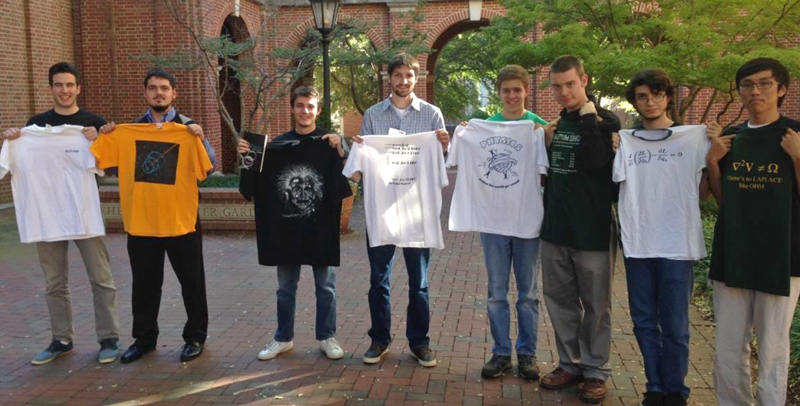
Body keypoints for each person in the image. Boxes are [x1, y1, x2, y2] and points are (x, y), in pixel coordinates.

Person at [0, 62, 121, 365]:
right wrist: (14, 138)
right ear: (51, 88)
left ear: (78, 88)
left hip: (84, 214)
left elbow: (113, 165)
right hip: (46, 215)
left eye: (69, 85)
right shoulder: (34, 127)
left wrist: (102, 139)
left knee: (101, 279)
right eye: (58, 85)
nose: (64, 90)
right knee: (54, 282)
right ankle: (61, 339)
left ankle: (109, 338)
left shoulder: (92, 123)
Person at [614, 69, 720, 406]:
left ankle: (676, 390)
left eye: (656, 94)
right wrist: (615, 143)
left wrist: (712, 145)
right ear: (635, 101)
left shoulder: (691, 138)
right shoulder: (625, 141)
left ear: (667, 97)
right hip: (639, 243)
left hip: (677, 243)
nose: (650, 101)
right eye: (643, 96)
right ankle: (654, 387)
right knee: (644, 322)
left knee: (675, 325)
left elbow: (704, 194)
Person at [99, 68, 216, 364]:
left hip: (181, 219)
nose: (159, 93)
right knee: (144, 284)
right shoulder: (130, 129)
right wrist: (106, 136)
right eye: (153, 88)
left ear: (174, 93)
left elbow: (209, 165)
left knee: (192, 281)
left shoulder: (188, 128)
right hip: (143, 220)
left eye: (164, 88)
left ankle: (195, 337)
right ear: (145, 93)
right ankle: (144, 339)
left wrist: (199, 139)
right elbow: (110, 165)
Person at [706, 57, 800, 406]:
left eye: (763, 83)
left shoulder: (795, 135)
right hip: (733, 253)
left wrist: (798, 159)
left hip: (782, 258)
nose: (755, 91)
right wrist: (712, 162)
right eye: (747, 85)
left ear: (781, 89)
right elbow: (722, 199)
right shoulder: (732, 137)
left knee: (773, 348)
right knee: (728, 348)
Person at [349, 53, 449, 367]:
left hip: (417, 210)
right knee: (379, 279)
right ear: (389, 78)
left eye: (409, 75)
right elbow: (358, 168)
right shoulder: (373, 115)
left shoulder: (432, 115)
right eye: (398, 75)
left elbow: (441, 163)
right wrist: (357, 150)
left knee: (419, 281)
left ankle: (419, 342)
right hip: (383, 212)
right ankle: (379, 340)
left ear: (415, 79)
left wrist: (443, 146)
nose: (403, 81)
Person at [236, 86, 348, 361]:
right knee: (285, 288)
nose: (305, 111)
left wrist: (342, 148)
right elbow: (248, 188)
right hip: (285, 232)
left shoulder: (328, 143)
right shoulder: (275, 147)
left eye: (310, 106)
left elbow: (350, 176)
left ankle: (327, 337)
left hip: (320, 229)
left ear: (318, 110)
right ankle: (283, 338)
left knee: (326, 287)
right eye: (300, 106)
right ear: (292, 108)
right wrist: (247, 156)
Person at [537, 55, 620, 404]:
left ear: (584, 79)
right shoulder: (552, 126)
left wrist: (588, 117)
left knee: (596, 305)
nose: (563, 91)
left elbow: (595, 161)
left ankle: (596, 370)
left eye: (570, 84)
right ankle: (570, 364)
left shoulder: (605, 122)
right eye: (557, 86)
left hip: (593, 232)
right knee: (560, 302)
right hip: (556, 229)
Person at [476, 65, 547, 380]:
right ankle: (501, 353)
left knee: (528, 293)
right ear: (499, 93)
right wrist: (467, 132)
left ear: (526, 92)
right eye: (506, 90)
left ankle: (528, 354)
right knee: (496, 293)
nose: (512, 95)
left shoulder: (539, 127)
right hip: (493, 223)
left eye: (517, 89)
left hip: (528, 221)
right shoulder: (485, 127)